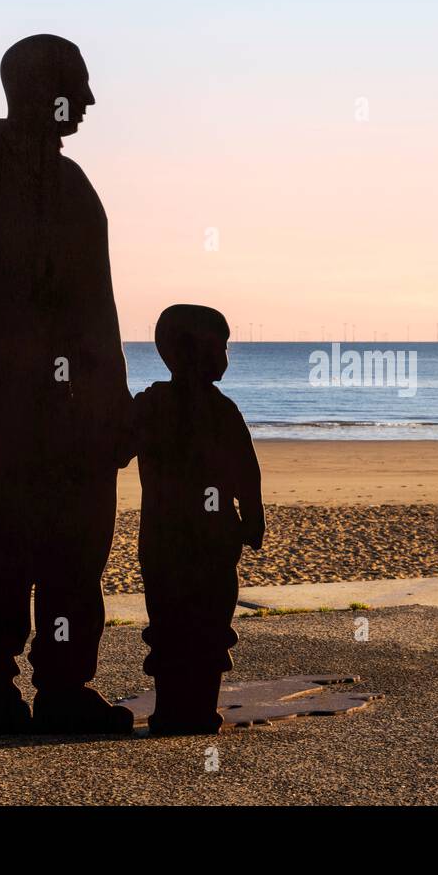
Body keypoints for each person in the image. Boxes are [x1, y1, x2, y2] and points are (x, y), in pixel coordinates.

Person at [0, 34, 134, 735]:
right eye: (76, 84)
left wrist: (110, 403)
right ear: (36, 87)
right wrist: (12, 372)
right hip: (22, 400)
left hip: (77, 406)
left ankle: (61, 682)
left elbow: (98, 312)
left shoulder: (71, 185)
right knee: (11, 536)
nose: (87, 100)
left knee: (75, 546)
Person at [132, 305, 264, 735]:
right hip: (202, 537)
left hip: (173, 538)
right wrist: (252, 515)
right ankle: (185, 707)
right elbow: (247, 470)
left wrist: (254, 514)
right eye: (221, 348)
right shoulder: (217, 410)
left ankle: (180, 708)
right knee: (193, 624)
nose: (226, 359)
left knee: (187, 624)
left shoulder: (155, 405)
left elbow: (246, 470)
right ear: (191, 352)